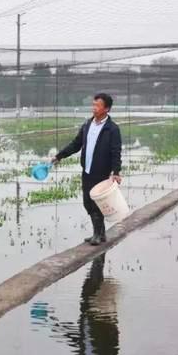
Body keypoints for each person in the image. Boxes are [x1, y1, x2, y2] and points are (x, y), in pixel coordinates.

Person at [51, 93, 122, 245]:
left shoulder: (112, 129)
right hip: (87, 171)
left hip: (102, 172)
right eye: (93, 105)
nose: (94, 108)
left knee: (97, 203)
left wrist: (116, 172)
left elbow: (116, 151)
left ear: (106, 109)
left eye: (98, 105)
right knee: (87, 203)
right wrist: (59, 156)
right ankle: (100, 234)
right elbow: (76, 144)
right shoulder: (87, 125)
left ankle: (97, 234)